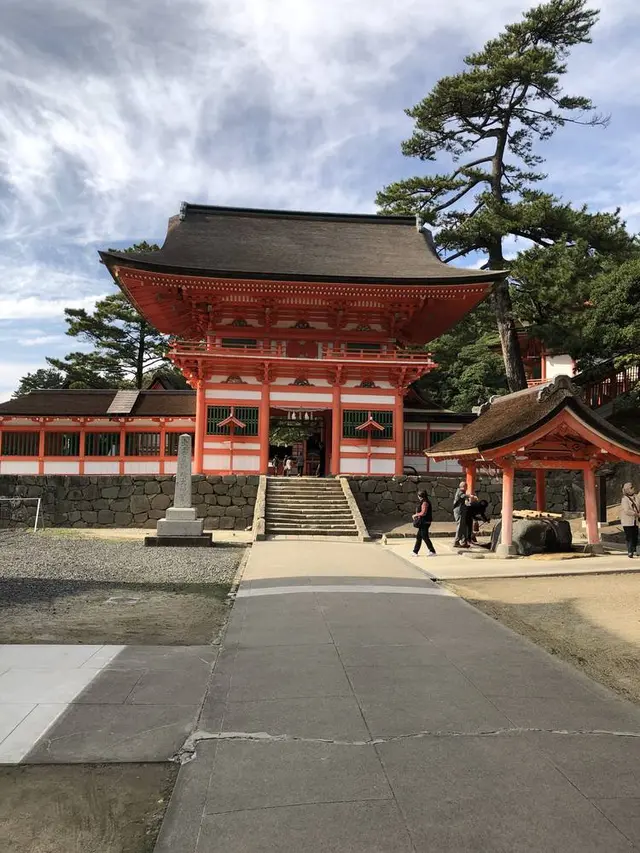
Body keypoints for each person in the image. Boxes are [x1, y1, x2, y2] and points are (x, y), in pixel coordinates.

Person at [412, 489, 436, 557]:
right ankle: (415, 552)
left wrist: (415, 515)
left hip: (424, 522)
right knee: (419, 537)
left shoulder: (425, 502)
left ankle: (432, 551)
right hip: (424, 522)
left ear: (420, 496)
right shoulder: (425, 501)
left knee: (425, 537)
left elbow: (423, 512)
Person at [620, 482, 639, 558]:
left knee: (635, 536)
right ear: (627, 490)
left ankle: (634, 550)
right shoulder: (624, 499)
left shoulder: (636, 497)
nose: (633, 488)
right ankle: (630, 551)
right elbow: (626, 510)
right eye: (631, 487)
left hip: (635, 521)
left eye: (633, 487)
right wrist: (636, 514)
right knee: (629, 536)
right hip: (627, 521)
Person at [452, 481, 467, 547]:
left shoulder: (461, 491)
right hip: (459, 510)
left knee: (463, 525)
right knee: (460, 525)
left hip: (461, 510)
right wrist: (470, 496)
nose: (467, 487)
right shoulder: (460, 491)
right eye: (466, 486)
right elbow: (463, 496)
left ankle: (464, 541)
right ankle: (456, 541)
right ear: (463, 487)